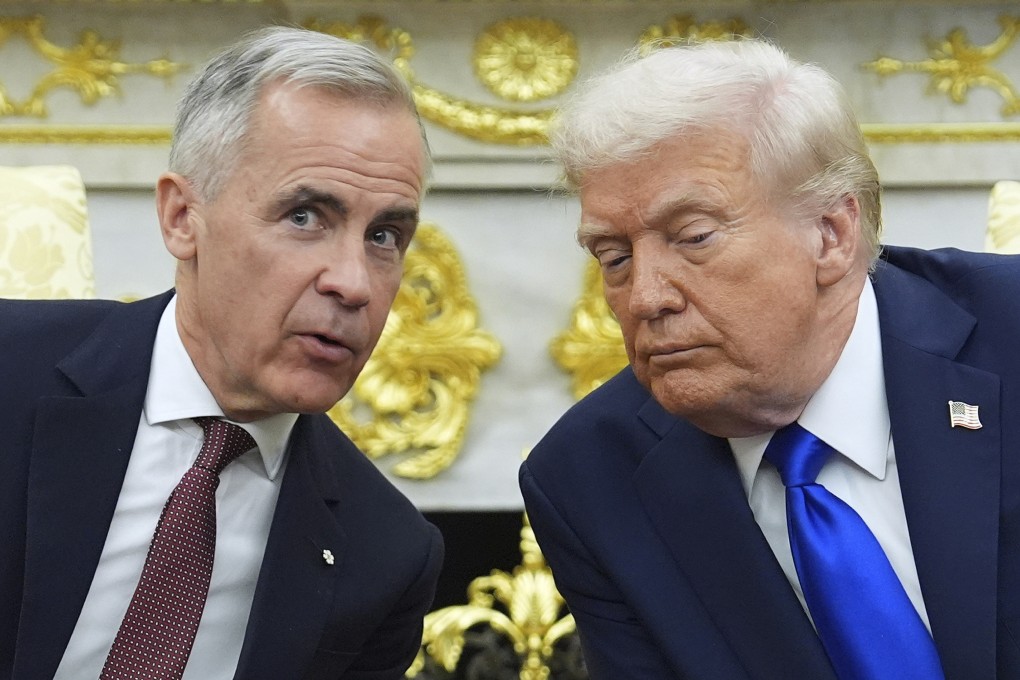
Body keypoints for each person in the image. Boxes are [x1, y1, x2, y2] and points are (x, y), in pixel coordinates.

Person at [520, 37, 1020, 680]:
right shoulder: (590, 476)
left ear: (831, 235)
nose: (644, 297)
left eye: (694, 238)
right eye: (614, 257)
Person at [0, 26, 443, 680]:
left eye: (384, 235)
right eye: (305, 216)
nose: (353, 282)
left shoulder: (386, 557)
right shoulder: (11, 372)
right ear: (183, 217)